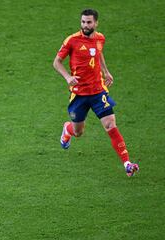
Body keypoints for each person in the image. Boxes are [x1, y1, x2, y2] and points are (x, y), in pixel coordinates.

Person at [53, 9, 139, 177]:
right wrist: (67, 77)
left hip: (98, 91)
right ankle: (67, 130)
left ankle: (127, 164)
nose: (85, 25)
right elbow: (56, 62)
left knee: (110, 125)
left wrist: (106, 72)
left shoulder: (100, 38)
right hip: (79, 94)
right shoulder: (72, 40)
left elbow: (98, 54)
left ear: (96, 23)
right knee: (78, 132)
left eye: (89, 22)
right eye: (83, 22)